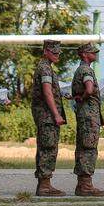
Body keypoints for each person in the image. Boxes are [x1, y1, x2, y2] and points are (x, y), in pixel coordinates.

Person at [32, 39, 66, 196]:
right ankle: (44, 185)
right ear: (45, 51)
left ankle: (45, 183)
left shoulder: (47, 68)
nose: (57, 54)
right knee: (48, 148)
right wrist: (56, 114)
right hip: (47, 116)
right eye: (54, 52)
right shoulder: (45, 69)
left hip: (46, 115)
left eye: (59, 52)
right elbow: (47, 92)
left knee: (48, 147)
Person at [72, 42, 104, 197]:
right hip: (89, 116)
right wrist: (84, 97)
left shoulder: (80, 69)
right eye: (92, 52)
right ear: (85, 54)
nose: (95, 54)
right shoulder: (86, 70)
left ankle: (82, 184)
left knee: (83, 147)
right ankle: (86, 185)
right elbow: (90, 88)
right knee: (89, 148)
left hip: (84, 115)